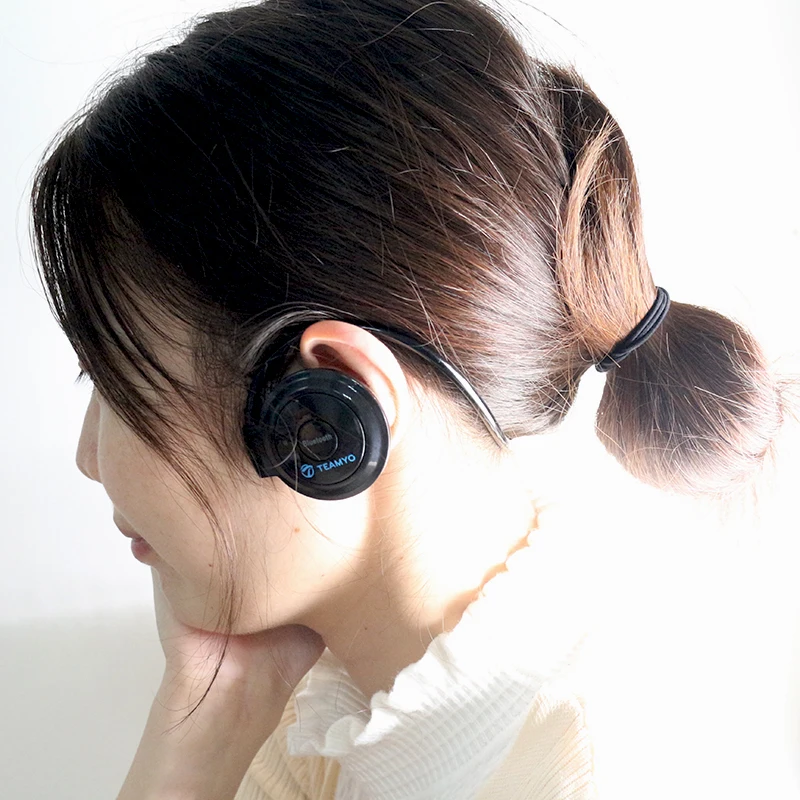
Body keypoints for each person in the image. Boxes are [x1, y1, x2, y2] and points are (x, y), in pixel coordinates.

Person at [29, 0, 796, 798]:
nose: (88, 458)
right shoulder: (332, 719)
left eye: (109, 381)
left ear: (323, 412)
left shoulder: (606, 770)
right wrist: (200, 737)